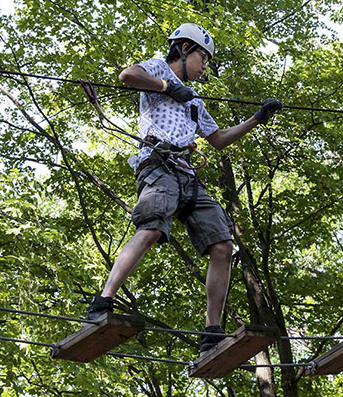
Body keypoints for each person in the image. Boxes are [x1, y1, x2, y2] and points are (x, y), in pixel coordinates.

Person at [85, 23, 282, 356]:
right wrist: (166, 86)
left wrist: (256, 119)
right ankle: (101, 302)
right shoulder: (158, 68)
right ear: (186, 49)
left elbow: (217, 140)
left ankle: (212, 332)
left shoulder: (194, 100)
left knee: (222, 245)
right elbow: (126, 76)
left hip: (187, 175)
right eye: (203, 58)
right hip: (158, 166)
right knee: (150, 229)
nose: (205, 67)